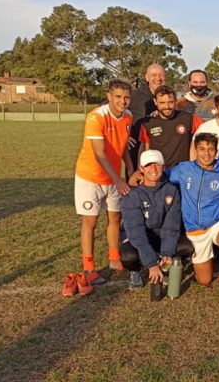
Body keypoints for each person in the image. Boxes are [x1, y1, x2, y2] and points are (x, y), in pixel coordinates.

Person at [67, 79, 134, 294]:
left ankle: (114, 259)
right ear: (108, 96)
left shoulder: (129, 117)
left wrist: (130, 172)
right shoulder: (96, 117)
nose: (123, 101)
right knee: (90, 221)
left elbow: (123, 148)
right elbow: (99, 153)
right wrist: (119, 179)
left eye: (126, 97)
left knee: (115, 218)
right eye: (118, 97)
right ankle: (89, 268)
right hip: (91, 176)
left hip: (114, 178)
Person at [167, 133, 219, 294]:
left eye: (210, 149)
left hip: (217, 223)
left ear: (216, 151)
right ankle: (208, 258)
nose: (206, 154)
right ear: (195, 150)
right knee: (204, 281)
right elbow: (163, 176)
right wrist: (140, 175)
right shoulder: (184, 169)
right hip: (195, 230)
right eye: (202, 149)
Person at [119, 150, 191, 290]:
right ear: (141, 169)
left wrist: (167, 252)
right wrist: (152, 263)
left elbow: (171, 226)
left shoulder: (171, 191)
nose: (153, 169)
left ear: (163, 167)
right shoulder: (132, 195)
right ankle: (136, 270)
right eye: (148, 165)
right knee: (128, 256)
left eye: (157, 164)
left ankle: (166, 264)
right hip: (140, 239)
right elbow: (136, 232)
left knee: (186, 246)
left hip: (161, 237)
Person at [139, 85, 203, 168]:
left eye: (170, 102)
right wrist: (139, 168)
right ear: (155, 102)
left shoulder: (189, 118)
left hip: (182, 172)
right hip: (158, 172)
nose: (167, 106)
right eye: (162, 103)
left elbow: (209, 130)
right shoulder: (148, 123)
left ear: (176, 101)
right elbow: (144, 148)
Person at [127, 64, 165, 173]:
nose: (158, 78)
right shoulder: (134, 95)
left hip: (160, 148)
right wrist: (123, 135)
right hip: (136, 148)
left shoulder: (167, 96)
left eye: (161, 75)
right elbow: (109, 110)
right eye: (153, 75)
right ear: (146, 77)